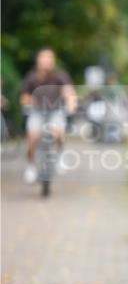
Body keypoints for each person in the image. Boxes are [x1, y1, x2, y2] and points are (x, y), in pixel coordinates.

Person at [20, 47, 77, 184]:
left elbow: (68, 91)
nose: (46, 61)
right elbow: (24, 96)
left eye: (49, 58)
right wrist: (28, 102)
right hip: (36, 112)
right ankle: (31, 166)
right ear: (38, 60)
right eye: (43, 57)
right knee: (32, 138)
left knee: (59, 132)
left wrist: (70, 104)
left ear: (53, 60)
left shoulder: (60, 75)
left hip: (55, 111)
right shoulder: (31, 77)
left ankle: (59, 155)